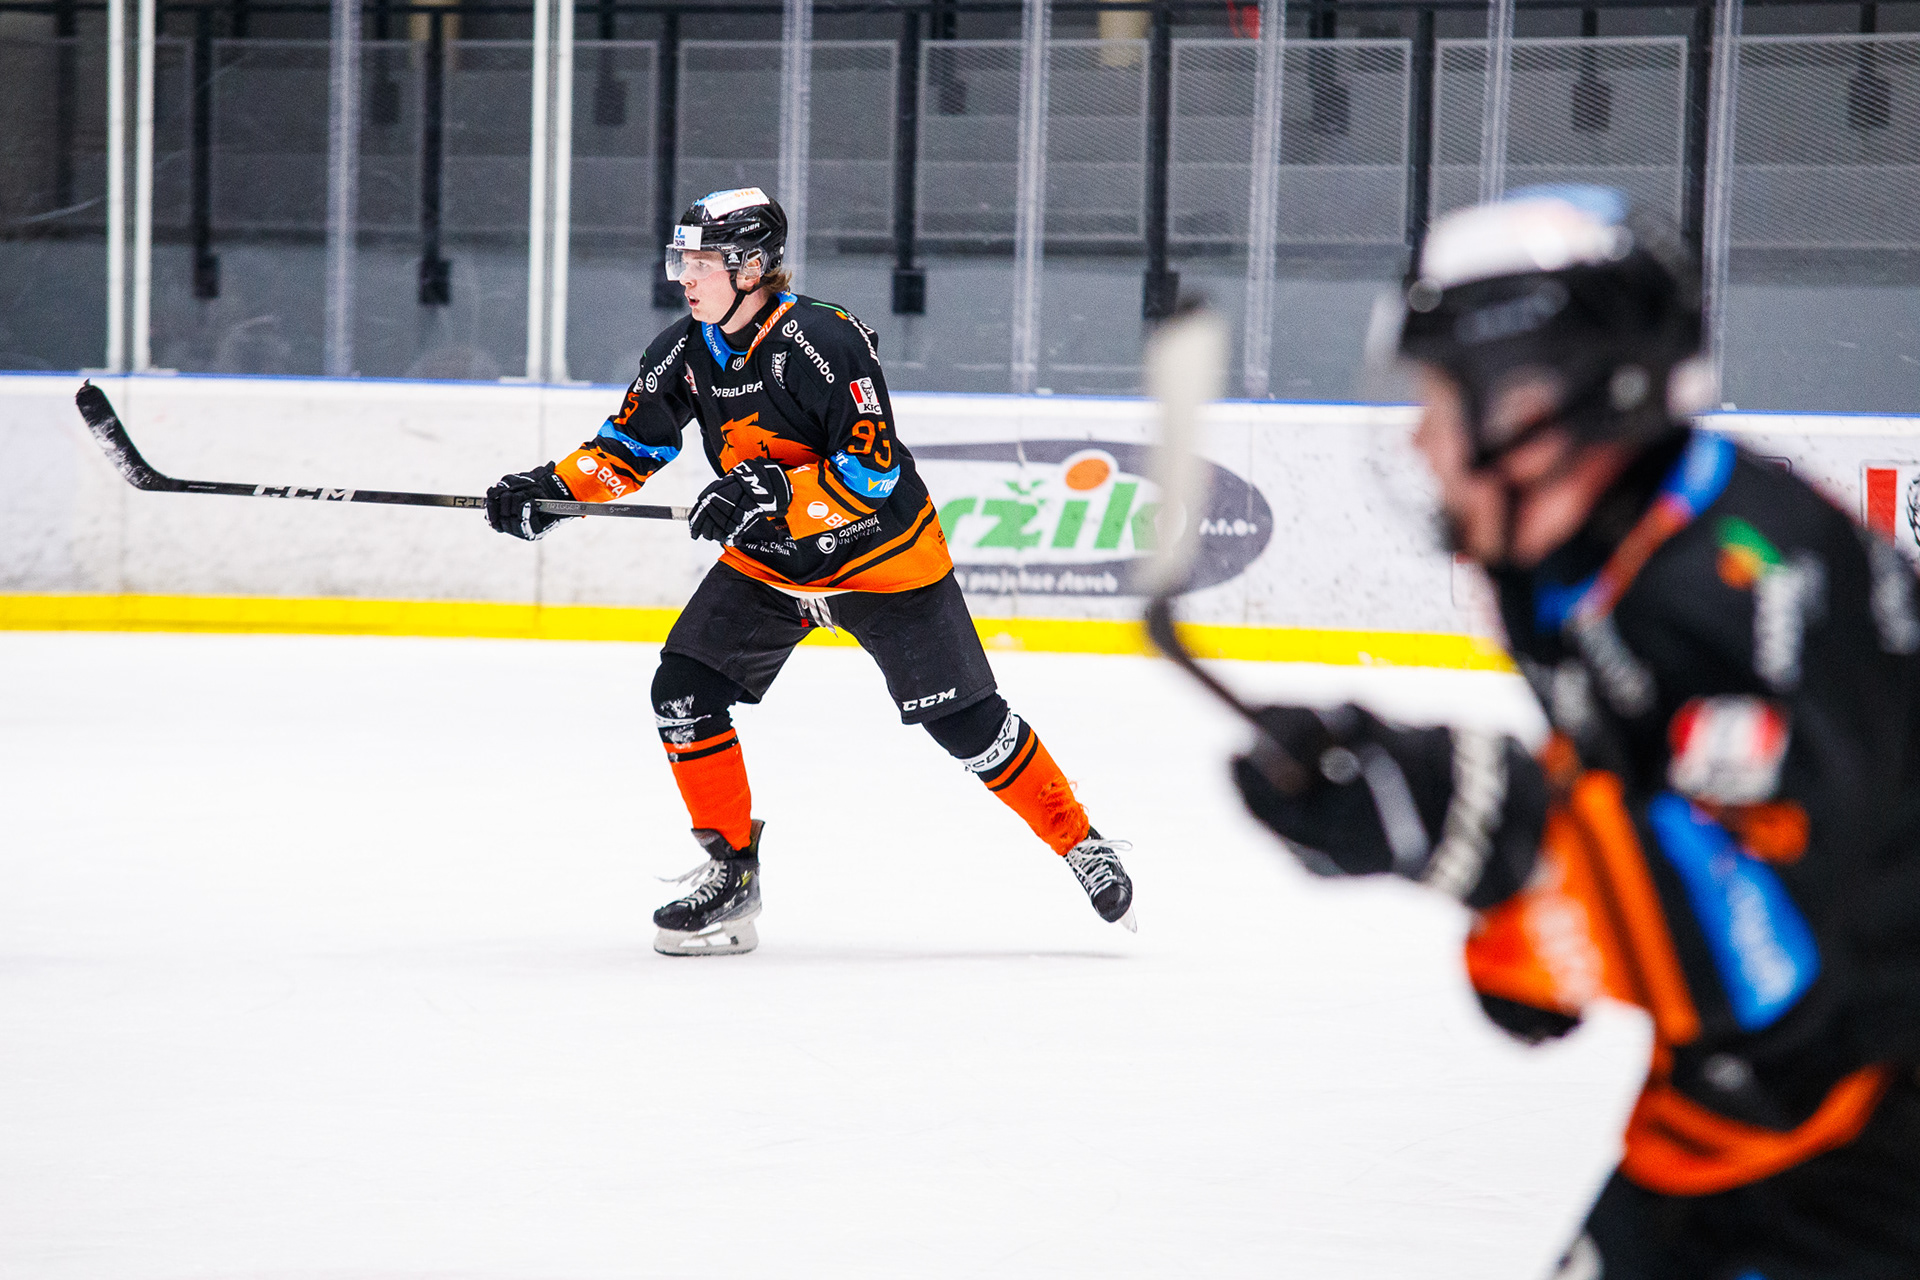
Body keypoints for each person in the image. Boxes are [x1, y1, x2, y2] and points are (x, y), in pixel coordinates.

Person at [1230, 186, 1920, 1278]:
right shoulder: (1574, 568)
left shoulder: (1736, 590)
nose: (1420, 438)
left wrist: (1477, 826)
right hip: (1762, 1113)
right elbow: (1630, 829)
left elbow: (1771, 959)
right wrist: (1478, 841)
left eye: (1443, 400)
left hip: (1865, 1133)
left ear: (1546, 403)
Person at [484, 187, 1135, 956]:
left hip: (881, 562)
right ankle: (732, 873)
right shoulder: (683, 351)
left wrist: (771, 491)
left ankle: (1079, 841)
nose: (685, 278)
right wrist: (552, 490)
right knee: (683, 693)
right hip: (773, 565)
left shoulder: (824, 340)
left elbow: (871, 471)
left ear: (750, 267)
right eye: (682, 262)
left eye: (701, 263)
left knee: (967, 726)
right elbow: (627, 448)